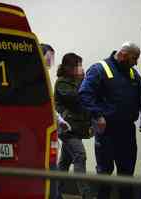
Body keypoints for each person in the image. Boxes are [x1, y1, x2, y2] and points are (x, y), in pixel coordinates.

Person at [79, 42, 141, 199]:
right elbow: (84, 94)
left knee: (126, 175)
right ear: (122, 55)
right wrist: (97, 115)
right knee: (105, 175)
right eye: (134, 58)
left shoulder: (133, 75)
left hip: (127, 132)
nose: (136, 63)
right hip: (106, 131)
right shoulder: (99, 69)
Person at [54, 53, 92, 199]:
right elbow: (77, 98)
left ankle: (55, 193)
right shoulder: (62, 83)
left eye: (80, 65)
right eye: (77, 65)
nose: (80, 68)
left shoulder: (78, 81)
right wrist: (83, 79)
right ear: (68, 67)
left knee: (64, 164)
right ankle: (86, 195)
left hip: (76, 130)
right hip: (68, 129)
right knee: (80, 156)